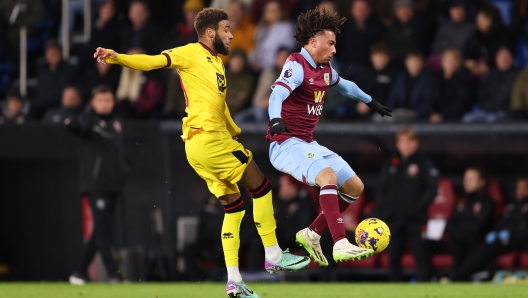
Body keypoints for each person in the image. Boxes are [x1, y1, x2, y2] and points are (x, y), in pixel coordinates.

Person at [93, 8, 309, 297]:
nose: (231, 34)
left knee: (234, 207)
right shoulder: (191, 52)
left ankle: (234, 282)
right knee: (263, 187)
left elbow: (216, 106)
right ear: (210, 32)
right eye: (226, 29)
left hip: (200, 144)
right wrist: (117, 56)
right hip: (209, 139)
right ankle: (274, 254)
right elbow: (153, 61)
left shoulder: (217, 63)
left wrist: (232, 128)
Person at [265, 8, 392, 267]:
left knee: (355, 187)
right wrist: (275, 118)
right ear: (313, 42)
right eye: (330, 43)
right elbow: (277, 93)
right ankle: (340, 243)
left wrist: (371, 101)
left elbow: (345, 85)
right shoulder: (296, 64)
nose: (334, 49)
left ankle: (312, 233)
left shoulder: (324, 68)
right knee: (328, 176)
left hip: (307, 142)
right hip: (285, 144)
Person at [67, 85, 128, 285]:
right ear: (93, 103)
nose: (104, 104)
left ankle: (78, 271)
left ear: (113, 102)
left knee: (99, 231)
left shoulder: (116, 123)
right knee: (103, 231)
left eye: (108, 100)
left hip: (113, 185)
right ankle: (113, 274)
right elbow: (78, 127)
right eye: (100, 101)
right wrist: (71, 124)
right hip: (96, 185)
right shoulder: (88, 119)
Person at [377, 127, 438, 281]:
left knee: (421, 255)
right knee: (394, 256)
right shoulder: (391, 162)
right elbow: (380, 188)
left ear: (416, 143)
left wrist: (415, 209)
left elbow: (431, 191)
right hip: (394, 218)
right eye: (402, 142)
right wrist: (387, 210)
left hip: (416, 219)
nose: (406, 145)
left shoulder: (424, 162)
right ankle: (395, 290)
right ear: (397, 144)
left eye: (409, 141)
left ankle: (424, 288)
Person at [456, 178, 528, 281]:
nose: (517, 191)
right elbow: (503, 223)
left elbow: (523, 229)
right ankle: (473, 274)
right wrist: (497, 232)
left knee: (487, 248)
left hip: (519, 240)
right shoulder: (513, 205)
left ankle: (460, 276)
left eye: (521, 188)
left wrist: (510, 233)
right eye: (517, 188)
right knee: (477, 244)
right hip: (504, 238)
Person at [446, 166, 495, 280]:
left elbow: (477, 227)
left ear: (482, 182)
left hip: (475, 244)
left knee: (473, 250)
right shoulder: (461, 200)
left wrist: (460, 228)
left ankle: (454, 278)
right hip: (457, 242)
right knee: (425, 242)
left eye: (471, 178)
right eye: (465, 178)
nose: (467, 182)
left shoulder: (486, 202)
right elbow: (450, 224)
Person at [463, 47, 520, 123]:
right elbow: (483, 95)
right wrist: (486, 106)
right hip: (488, 110)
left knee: (492, 119)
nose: (504, 60)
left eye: (506, 57)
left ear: (512, 59)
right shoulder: (491, 75)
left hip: (506, 111)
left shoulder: (518, 75)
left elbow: (513, 98)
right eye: (501, 57)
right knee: (467, 118)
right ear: (496, 60)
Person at [337, 0, 385, 78]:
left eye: (364, 8)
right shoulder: (344, 27)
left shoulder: (378, 28)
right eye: (358, 8)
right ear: (352, 10)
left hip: (368, 69)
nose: (361, 11)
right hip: (346, 68)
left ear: (369, 10)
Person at [378, 51, 431, 123]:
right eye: (412, 62)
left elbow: (428, 103)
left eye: (418, 62)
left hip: (417, 114)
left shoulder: (428, 79)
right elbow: (393, 98)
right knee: (378, 117)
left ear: (422, 63)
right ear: (406, 63)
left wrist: (418, 113)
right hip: (398, 111)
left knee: (392, 117)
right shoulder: (401, 77)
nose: (415, 65)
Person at [353, 42, 400, 119]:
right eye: (378, 55)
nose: (381, 59)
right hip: (361, 111)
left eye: (384, 56)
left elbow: (392, 97)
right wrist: (358, 104)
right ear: (371, 57)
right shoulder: (363, 73)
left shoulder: (394, 74)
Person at [248, 1, 295, 71]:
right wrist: (253, 62)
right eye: (269, 10)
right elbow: (255, 49)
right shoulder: (260, 29)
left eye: (275, 10)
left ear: (280, 12)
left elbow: (286, 51)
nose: (272, 13)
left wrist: (263, 64)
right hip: (256, 67)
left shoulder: (287, 28)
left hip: (275, 68)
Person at [33, 40, 75, 118]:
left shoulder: (69, 70)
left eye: (55, 51)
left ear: (61, 53)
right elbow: (38, 94)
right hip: (42, 110)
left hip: (62, 110)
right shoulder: (42, 71)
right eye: (50, 52)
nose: (52, 54)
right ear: (46, 54)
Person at [429, 48, 473, 123]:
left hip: (457, 116)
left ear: (460, 63)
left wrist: (443, 115)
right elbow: (431, 98)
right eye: (448, 60)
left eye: (454, 60)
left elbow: (462, 102)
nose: (451, 63)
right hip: (436, 116)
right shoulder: (437, 78)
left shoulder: (465, 79)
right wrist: (433, 113)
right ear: (443, 62)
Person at [225, 48, 255, 116]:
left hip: (239, 112)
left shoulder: (248, 79)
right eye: (235, 61)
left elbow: (238, 103)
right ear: (230, 61)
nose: (237, 64)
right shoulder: (222, 74)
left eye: (240, 61)